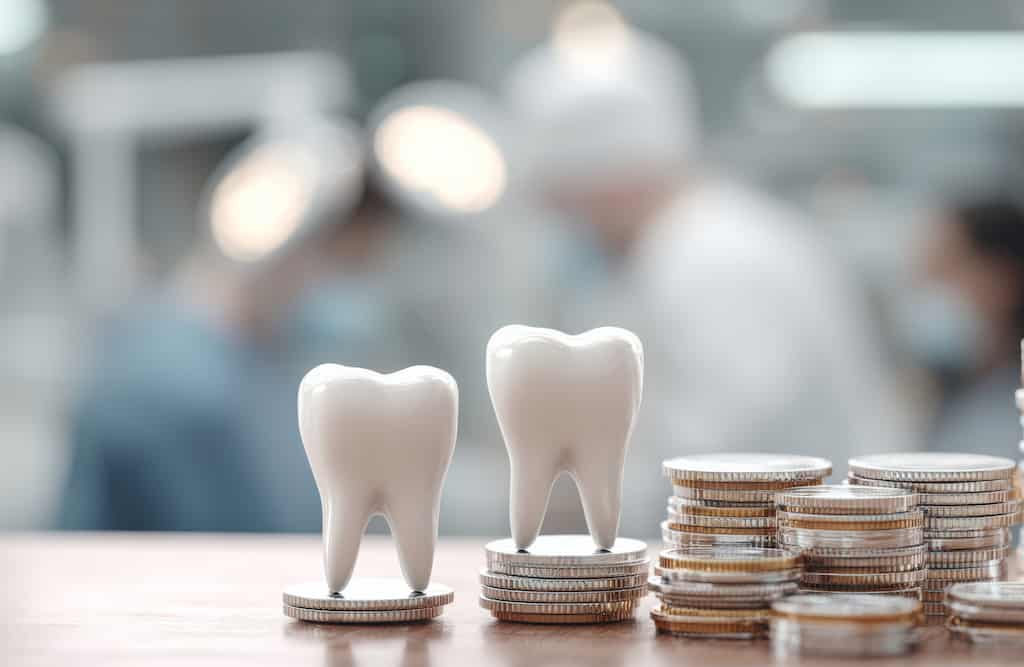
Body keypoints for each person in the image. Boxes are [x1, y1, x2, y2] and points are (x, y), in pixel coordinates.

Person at [502, 13, 904, 536]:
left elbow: (713, 456)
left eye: (565, 199)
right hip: (756, 542)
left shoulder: (717, 261)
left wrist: (561, 494)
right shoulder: (667, 251)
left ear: (610, 180)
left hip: (813, 552)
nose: (564, 221)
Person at [59, 114, 407, 531]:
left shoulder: (265, 364)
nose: (349, 290)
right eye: (348, 266)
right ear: (278, 246)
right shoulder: (173, 388)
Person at [904, 197, 1024, 460]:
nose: (928, 288)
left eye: (944, 268)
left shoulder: (1006, 418)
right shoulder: (952, 396)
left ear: (1003, 279)